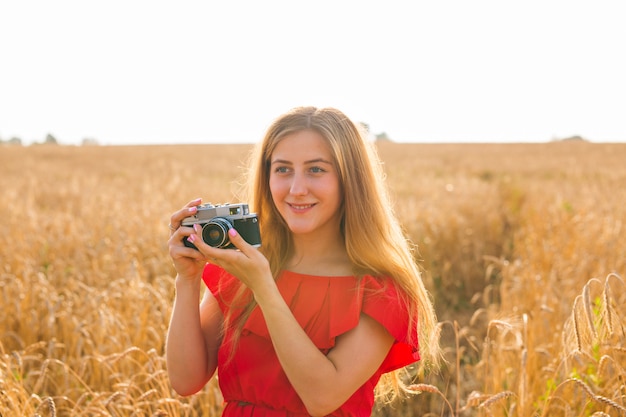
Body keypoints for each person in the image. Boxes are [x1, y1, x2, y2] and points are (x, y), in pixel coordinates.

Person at [166, 106, 440, 416]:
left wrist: (265, 289)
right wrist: (187, 280)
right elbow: (185, 380)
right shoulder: (244, 263)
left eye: (316, 169)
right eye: (282, 169)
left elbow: (322, 398)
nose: (297, 189)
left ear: (350, 179)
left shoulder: (382, 290)